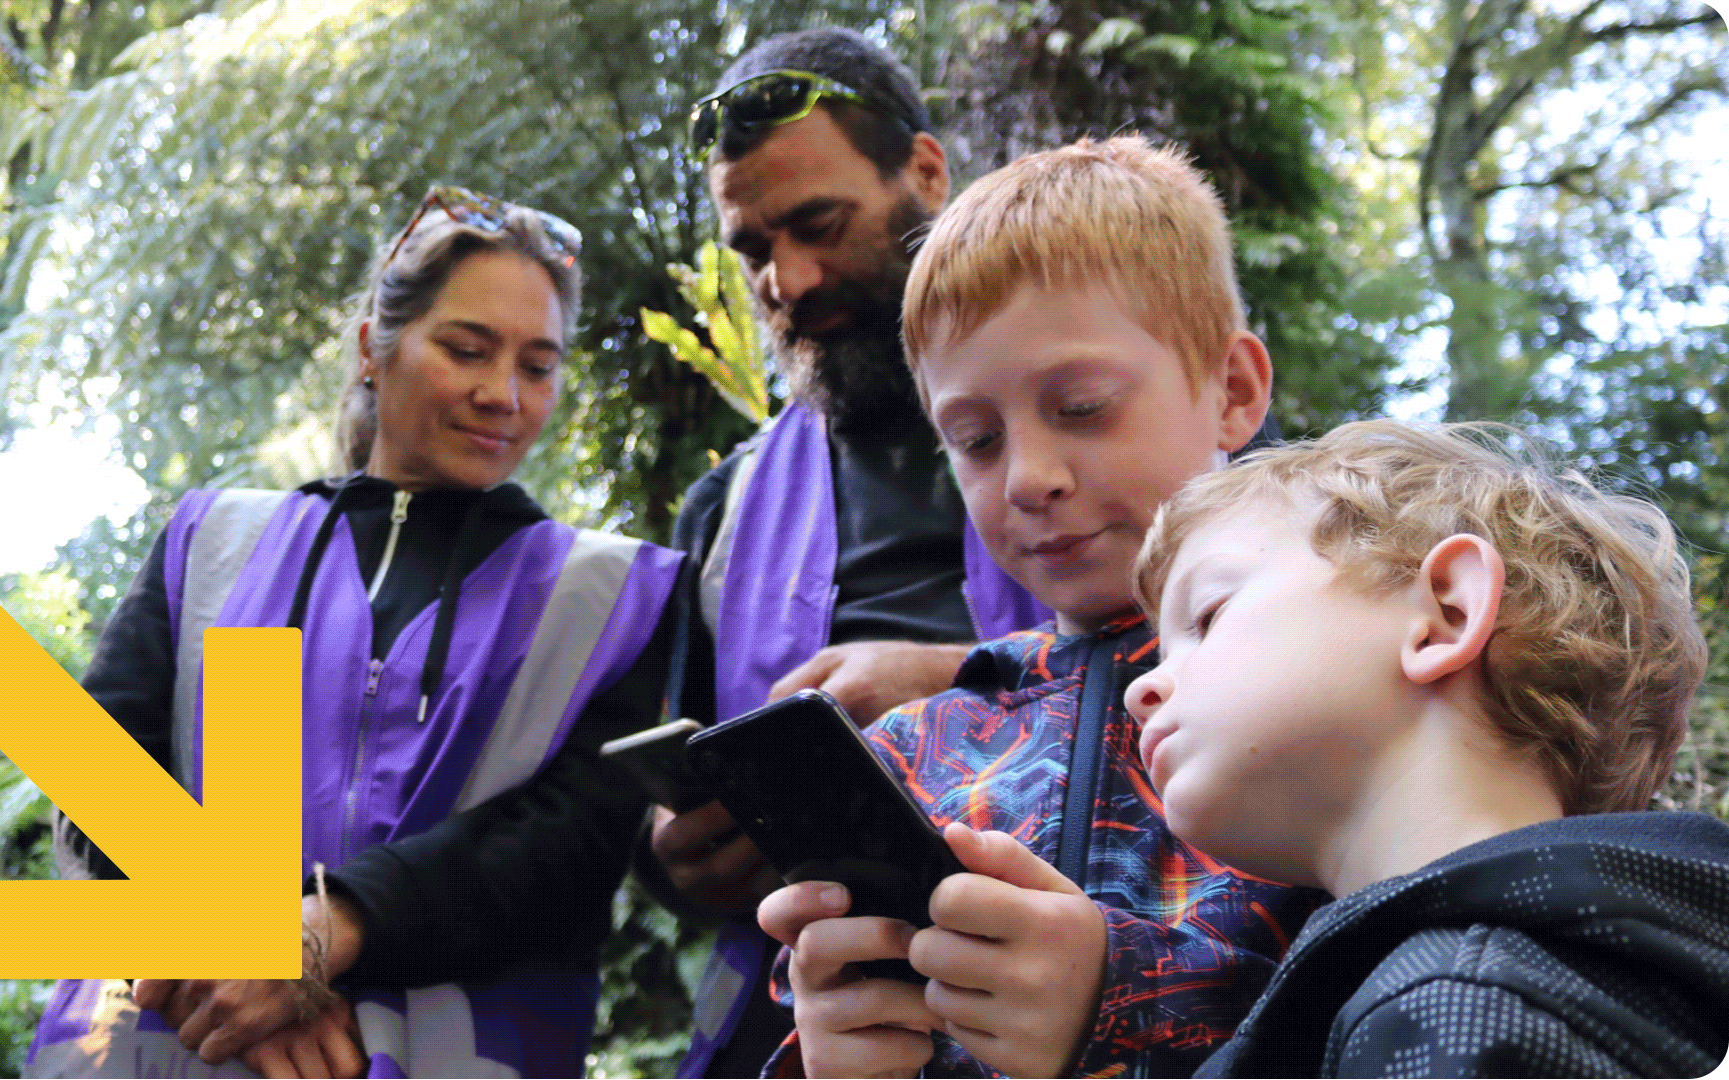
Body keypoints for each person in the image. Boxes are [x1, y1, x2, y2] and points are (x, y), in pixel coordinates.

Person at [22, 188, 685, 1079]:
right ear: (374, 346)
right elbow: (92, 775)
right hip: (165, 1049)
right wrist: (239, 973)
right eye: (466, 350)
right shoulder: (214, 538)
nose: (503, 395)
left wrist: (327, 933)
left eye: (538, 365)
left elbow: (570, 845)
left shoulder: (612, 592)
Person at [756, 135, 1326, 1077]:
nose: (1027, 477)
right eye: (976, 439)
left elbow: (1414, 990)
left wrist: (1117, 998)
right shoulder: (908, 754)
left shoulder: (1336, 688)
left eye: (1083, 406)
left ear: (1233, 391)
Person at [652, 28, 1054, 1076]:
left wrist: (958, 687)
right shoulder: (723, 513)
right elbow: (670, 781)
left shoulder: (1105, 413)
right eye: (752, 252)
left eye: (820, 225)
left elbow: (1257, 673)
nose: (788, 280)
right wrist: (684, 861)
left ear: (925, 171)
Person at [1125, 419, 1729, 1077]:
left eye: (1208, 616)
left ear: (1445, 614)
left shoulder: (1459, 1012)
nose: (1138, 692)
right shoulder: (1558, 975)